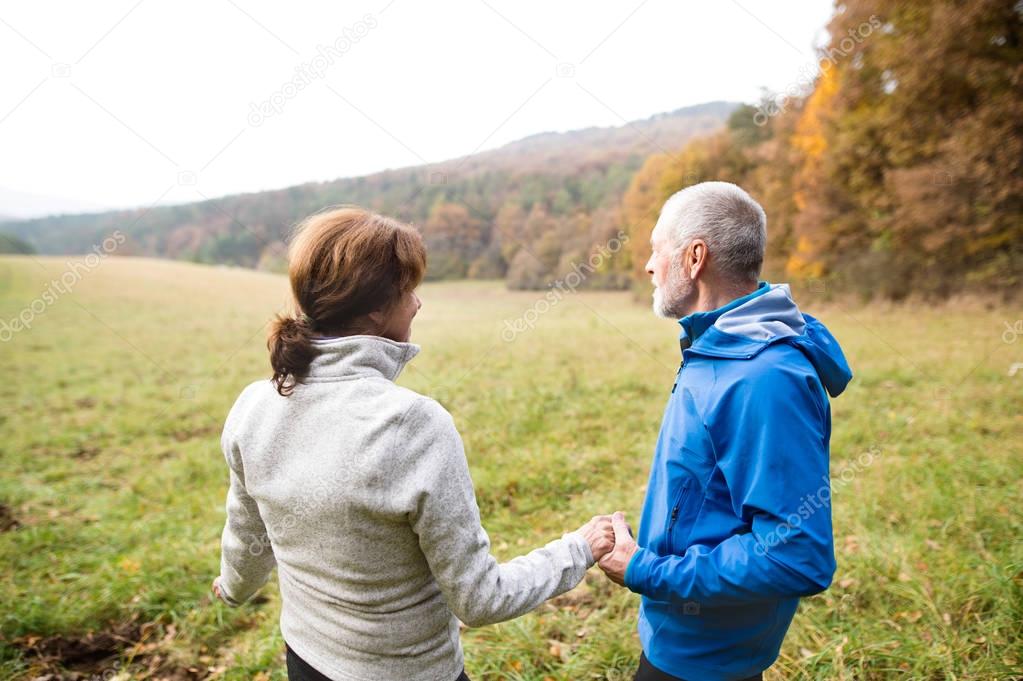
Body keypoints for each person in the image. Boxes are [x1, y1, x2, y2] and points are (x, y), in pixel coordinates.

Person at [210, 206, 615, 681]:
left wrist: (233, 588)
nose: (418, 304)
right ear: (376, 310)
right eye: (409, 291)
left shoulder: (254, 405)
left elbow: (247, 535)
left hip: (306, 661)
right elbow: (481, 599)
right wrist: (580, 548)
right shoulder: (413, 425)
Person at [597, 182, 853, 681]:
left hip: (706, 659)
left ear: (694, 257)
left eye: (657, 250)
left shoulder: (764, 377)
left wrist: (644, 570)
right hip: (686, 637)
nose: (649, 266)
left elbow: (797, 556)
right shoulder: (717, 344)